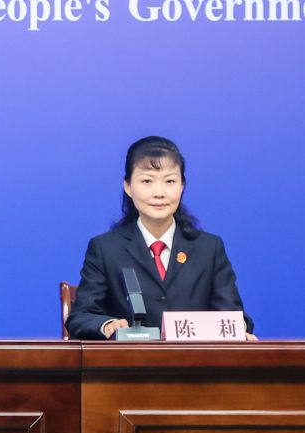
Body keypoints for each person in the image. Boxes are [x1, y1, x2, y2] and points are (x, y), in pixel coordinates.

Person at [66, 135, 254, 340]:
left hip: (193, 359)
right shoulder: (106, 249)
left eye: (170, 181)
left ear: (182, 186)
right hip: (130, 359)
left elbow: (233, 316)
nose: (159, 193)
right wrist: (108, 325)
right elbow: (81, 317)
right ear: (128, 186)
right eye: (147, 181)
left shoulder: (209, 248)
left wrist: (239, 328)